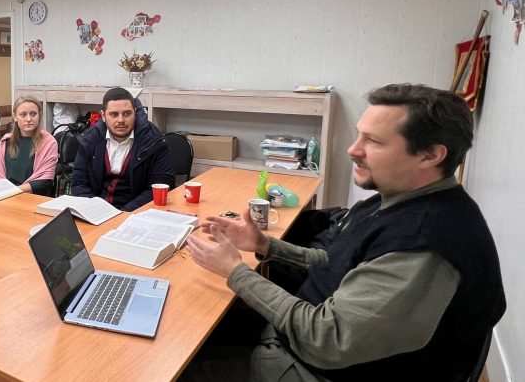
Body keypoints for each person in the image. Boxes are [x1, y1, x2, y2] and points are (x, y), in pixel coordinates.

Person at [185, 84, 506, 381]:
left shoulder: (424, 245)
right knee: (197, 329)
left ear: (431, 155)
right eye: (359, 135)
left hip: (315, 367)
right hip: (300, 333)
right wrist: (265, 245)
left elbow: (327, 339)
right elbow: (338, 261)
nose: (353, 150)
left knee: (179, 366)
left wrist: (235, 270)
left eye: (374, 141)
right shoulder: (399, 200)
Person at [71, 87, 174, 211]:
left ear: (135, 113)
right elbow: (79, 184)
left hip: (136, 213)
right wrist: (95, 210)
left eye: (127, 113)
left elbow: (159, 188)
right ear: (103, 116)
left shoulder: (154, 141)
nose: (121, 120)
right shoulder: (89, 139)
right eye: (114, 114)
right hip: (96, 212)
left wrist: (123, 214)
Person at [0, 96, 58, 196]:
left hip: (35, 198)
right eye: (23, 114)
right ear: (15, 117)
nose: (29, 119)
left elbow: (44, 181)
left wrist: (12, 191)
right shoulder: (5, 142)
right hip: (6, 197)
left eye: (33, 114)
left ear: (39, 116)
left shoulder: (49, 142)